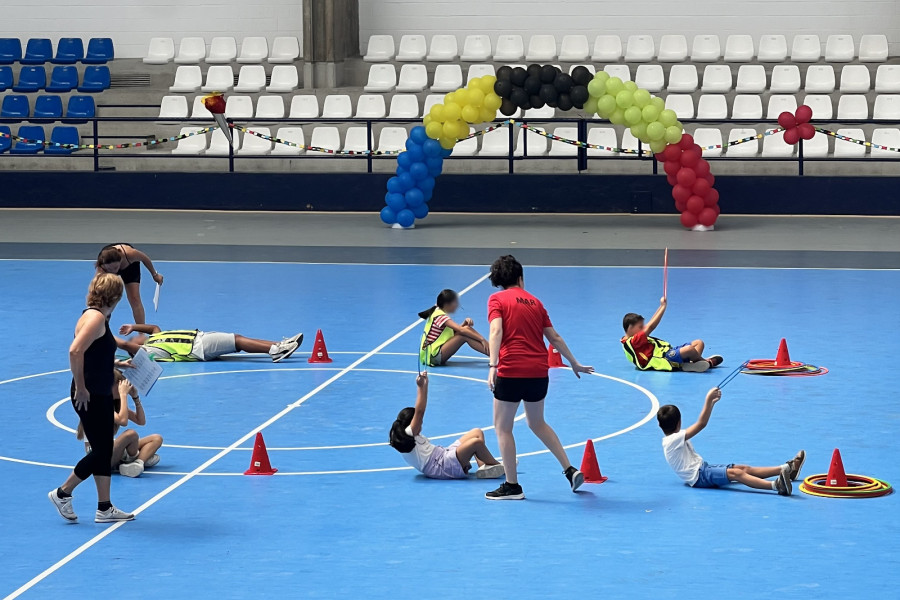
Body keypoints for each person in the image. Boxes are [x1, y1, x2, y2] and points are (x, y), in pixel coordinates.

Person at [485, 255, 594, 501]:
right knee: (537, 423)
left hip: (511, 370)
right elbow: (554, 338)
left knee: (502, 427)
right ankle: (570, 469)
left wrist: (493, 364)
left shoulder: (496, 299)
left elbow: (496, 330)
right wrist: (573, 362)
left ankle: (512, 486)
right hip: (538, 373)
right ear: (520, 278)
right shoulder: (536, 303)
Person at [49, 273, 135, 523]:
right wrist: (82, 387)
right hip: (90, 393)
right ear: (116, 295)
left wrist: (119, 362)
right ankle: (63, 492)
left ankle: (104, 508)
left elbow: (94, 352)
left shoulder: (98, 316)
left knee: (103, 447)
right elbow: (75, 351)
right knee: (101, 451)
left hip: (98, 388)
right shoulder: (96, 318)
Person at [657, 387, 806, 496]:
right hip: (699, 476)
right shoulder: (673, 440)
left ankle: (786, 469)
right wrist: (709, 401)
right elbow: (701, 424)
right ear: (679, 423)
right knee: (736, 474)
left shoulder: (673, 438)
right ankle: (776, 486)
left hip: (703, 468)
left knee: (743, 468)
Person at [389, 373, 505, 480]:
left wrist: (425, 385)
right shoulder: (409, 433)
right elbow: (420, 412)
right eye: (420, 422)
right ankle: (499, 466)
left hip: (442, 454)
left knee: (477, 432)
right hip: (441, 466)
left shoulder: (408, 434)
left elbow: (419, 414)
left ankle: (485, 467)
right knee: (475, 443)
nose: (421, 424)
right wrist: (420, 387)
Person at [77, 369, 163, 478]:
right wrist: (123, 395)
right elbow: (123, 421)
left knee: (156, 438)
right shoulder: (98, 404)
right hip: (98, 456)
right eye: (119, 386)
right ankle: (137, 458)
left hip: (111, 448)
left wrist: (135, 398)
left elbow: (141, 421)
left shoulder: (113, 404)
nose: (123, 389)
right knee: (130, 434)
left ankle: (137, 463)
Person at [621, 297, 723, 373]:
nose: (643, 328)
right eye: (640, 326)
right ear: (630, 328)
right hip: (665, 359)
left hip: (668, 352)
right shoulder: (633, 341)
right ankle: (707, 363)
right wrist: (664, 307)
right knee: (689, 349)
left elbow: (649, 324)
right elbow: (651, 326)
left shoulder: (634, 339)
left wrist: (660, 306)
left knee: (699, 343)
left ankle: (688, 365)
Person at [116, 323, 302, 363]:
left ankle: (278, 344)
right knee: (237, 341)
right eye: (134, 338)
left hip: (200, 338)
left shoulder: (155, 336)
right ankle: (275, 350)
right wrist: (101, 332)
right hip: (198, 348)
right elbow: (125, 345)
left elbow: (153, 327)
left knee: (237, 338)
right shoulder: (148, 350)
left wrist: (133, 326)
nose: (137, 336)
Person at [418, 289, 489, 368]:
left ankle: (494, 354)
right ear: (447, 304)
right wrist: (482, 340)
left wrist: (464, 324)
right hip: (433, 356)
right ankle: (495, 354)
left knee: (465, 330)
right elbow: (461, 330)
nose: (457, 305)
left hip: (433, 354)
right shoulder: (440, 316)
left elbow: (454, 332)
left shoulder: (437, 311)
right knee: (464, 335)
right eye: (455, 302)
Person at [96, 243, 164, 325]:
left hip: (130, 267)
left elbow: (144, 259)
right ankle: (102, 328)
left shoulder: (130, 254)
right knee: (104, 298)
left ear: (120, 260)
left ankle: (141, 333)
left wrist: (155, 275)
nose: (114, 272)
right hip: (108, 268)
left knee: (134, 298)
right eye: (110, 269)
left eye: (116, 268)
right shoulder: (102, 264)